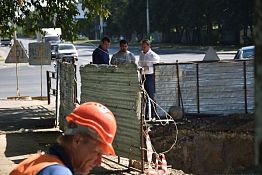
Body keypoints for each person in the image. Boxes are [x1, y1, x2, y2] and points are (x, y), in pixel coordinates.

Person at [10, 102, 117, 175]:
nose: (99, 162)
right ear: (77, 140)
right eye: (98, 152)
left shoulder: (33, 163)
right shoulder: (57, 171)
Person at [138, 39, 160, 119]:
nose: (143, 48)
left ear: (148, 46)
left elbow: (156, 65)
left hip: (150, 76)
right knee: (144, 96)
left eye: (145, 46)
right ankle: (146, 114)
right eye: (142, 47)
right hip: (143, 76)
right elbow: (139, 63)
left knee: (151, 96)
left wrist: (149, 67)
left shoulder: (153, 55)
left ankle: (154, 114)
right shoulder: (141, 54)